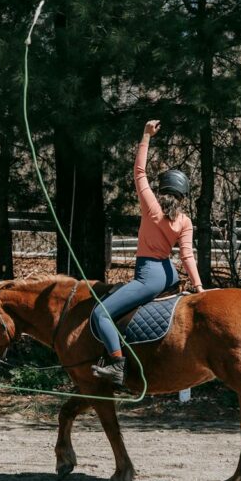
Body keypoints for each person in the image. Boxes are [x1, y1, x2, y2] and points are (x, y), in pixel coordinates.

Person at [91, 120, 204, 387]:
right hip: (169, 274)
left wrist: (145, 136)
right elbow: (187, 256)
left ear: (162, 190)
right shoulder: (185, 221)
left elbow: (139, 171)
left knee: (101, 315)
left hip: (149, 275)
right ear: (182, 197)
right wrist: (199, 288)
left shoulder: (151, 208)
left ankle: (117, 364)